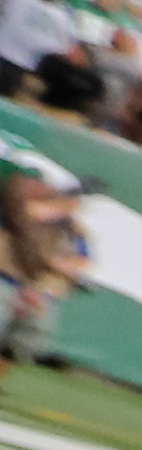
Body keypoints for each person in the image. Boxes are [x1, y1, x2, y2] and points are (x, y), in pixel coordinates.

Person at [2, 151, 88, 366]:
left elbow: (76, 262)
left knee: (25, 340)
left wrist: (42, 290)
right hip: (6, 281)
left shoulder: (70, 231)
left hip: (36, 289)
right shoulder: (15, 211)